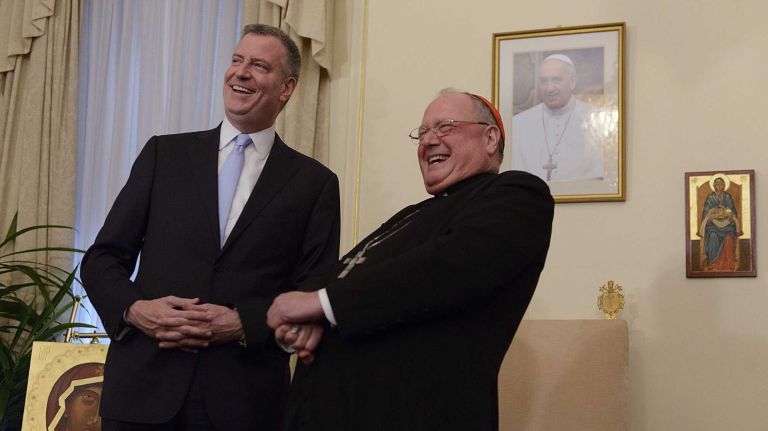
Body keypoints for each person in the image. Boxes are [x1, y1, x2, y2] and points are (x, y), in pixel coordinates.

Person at [80, 24, 340, 431]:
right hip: (142, 393)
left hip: (244, 402)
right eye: (237, 60)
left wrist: (243, 324)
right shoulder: (164, 155)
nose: (241, 72)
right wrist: (136, 311)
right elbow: (102, 259)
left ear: (286, 88)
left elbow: (313, 291)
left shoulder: (314, 183)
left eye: (259, 65)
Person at [267, 89, 554, 431]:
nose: (428, 141)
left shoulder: (517, 194)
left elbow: (447, 268)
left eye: (445, 127)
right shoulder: (412, 214)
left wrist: (323, 305)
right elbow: (344, 269)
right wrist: (306, 315)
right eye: (423, 132)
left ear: (490, 138)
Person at [511, 54, 604, 182]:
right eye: (544, 81)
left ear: (572, 81)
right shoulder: (518, 123)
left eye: (556, 80)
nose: (549, 88)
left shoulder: (597, 120)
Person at [698, 176, 741, 271]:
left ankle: (728, 263)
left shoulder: (727, 196)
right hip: (713, 225)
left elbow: (732, 210)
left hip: (727, 225)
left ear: (724, 185)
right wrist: (711, 215)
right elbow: (706, 212)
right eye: (717, 184)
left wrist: (729, 214)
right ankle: (713, 263)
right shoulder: (711, 197)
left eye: (721, 184)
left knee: (729, 237)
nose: (719, 185)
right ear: (714, 185)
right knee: (713, 236)